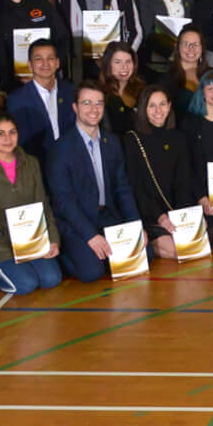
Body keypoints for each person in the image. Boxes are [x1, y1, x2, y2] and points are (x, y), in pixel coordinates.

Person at [43, 84, 137, 282]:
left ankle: (100, 253)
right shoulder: (60, 149)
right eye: (86, 103)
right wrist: (90, 236)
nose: (93, 109)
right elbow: (63, 201)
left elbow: (122, 188)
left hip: (106, 216)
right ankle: (66, 255)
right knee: (91, 272)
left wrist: (135, 225)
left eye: (98, 103)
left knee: (144, 253)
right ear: (75, 107)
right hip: (76, 221)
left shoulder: (112, 142)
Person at [0, 112, 65, 295]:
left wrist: (53, 239)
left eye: (12, 132)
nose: (7, 138)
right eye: (0, 134)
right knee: (26, 284)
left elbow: (42, 203)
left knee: (51, 279)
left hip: (29, 240)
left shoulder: (31, 163)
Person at [120, 90, 196, 263]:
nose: (158, 111)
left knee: (194, 247)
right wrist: (160, 217)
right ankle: (148, 245)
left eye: (162, 104)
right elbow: (136, 187)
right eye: (151, 106)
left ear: (169, 107)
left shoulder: (179, 138)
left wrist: (187, 218)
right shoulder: (132, 140)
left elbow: (184, 182)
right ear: (143, 109)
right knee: (178, 250)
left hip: (174, 212)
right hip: (149, 213)